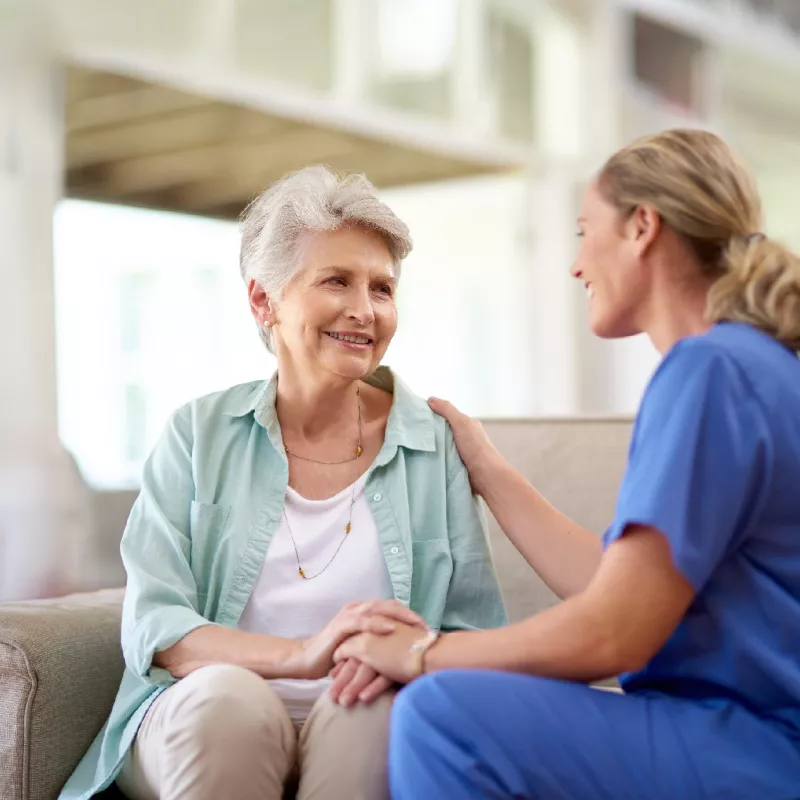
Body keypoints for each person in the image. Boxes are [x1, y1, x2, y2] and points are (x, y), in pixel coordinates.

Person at [333, 129, 800, 799]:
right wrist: (487, 468)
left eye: (585, 231)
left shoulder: (710, 372)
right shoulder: (755, 366)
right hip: (751, 734)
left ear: (643, 227)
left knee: (445, 719)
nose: (577, 263)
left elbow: (615, 632)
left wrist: (423, 653)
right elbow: (613, 586)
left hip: (755, 744)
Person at [58, 166, 506, 800]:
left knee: (377, 714)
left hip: (364, 706)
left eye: (382, 288)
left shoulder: (433, 443)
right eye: (337, 281)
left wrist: (407, 656)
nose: (364, 309)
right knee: (230, 704)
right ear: (263, 301)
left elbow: (472, 631)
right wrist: (302, 655)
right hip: (211, 704)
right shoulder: (197, 433)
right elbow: (157, 625)